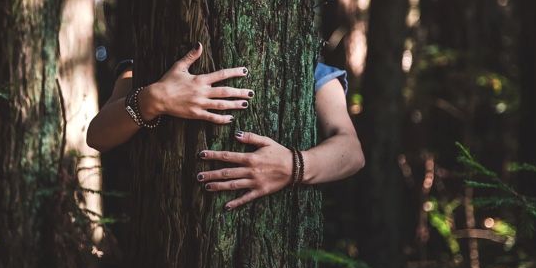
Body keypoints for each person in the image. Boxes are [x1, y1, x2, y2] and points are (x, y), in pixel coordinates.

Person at [87, 42, 365, 210]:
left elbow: (351, 152)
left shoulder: (310, 71)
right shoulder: (147, 63)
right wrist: (155, 98)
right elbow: (98, 135)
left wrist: (293, 166)